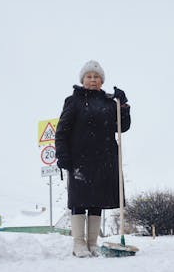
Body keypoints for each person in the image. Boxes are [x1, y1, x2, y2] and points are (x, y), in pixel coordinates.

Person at [55, 60, 131, 257]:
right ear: (82, 79)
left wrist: (122, 105)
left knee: (97, 201)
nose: (93, 80)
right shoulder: (73, 101)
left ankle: (93, 243)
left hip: (104, 159)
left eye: (96, 77)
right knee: (79, 200)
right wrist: (62, 154)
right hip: (79, 159)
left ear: (102, 81)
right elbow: (62, 130)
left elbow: (123, 126)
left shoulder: (109, 102)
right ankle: (79, 244)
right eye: (89, 76)